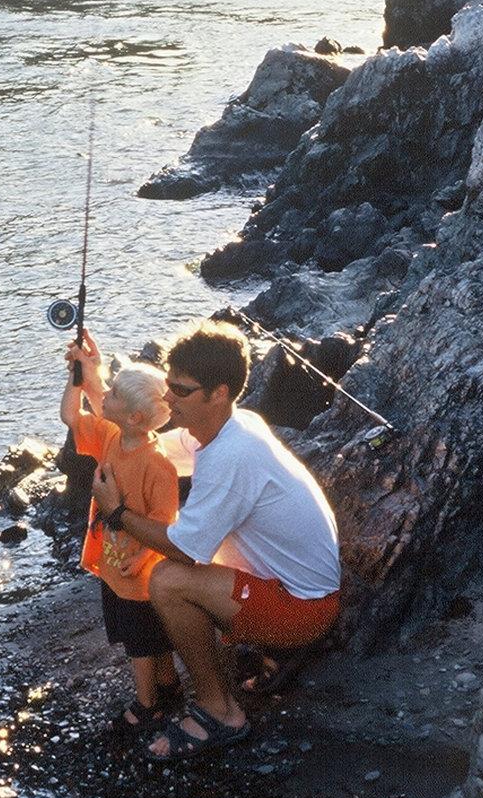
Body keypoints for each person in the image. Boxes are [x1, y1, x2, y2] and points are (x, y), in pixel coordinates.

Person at [91, 320, 341, 761]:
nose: (168, 399)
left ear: (218, 393)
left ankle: (221, 711)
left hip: (302, 611)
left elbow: (184, 548)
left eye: (181, 391)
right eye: (168, 387)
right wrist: (93, 381)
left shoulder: (232, 454)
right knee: (193, 544)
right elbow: (142, 446)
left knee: (167, 579)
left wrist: (117, 514)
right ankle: (263, 657)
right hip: (295, 589)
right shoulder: (230, 427)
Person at [60, 331, 181, 736]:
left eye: (111, 395)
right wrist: (78, 379)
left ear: (134, 418)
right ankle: (168, 689)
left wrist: (143, 558)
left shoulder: (157, 465)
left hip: (138, 576)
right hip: (113, 567)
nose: (103, 396)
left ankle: (148, 706)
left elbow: (166, 523)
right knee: (150, 640)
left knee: (141, 646)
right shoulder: (113, 436)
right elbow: (72, 416)